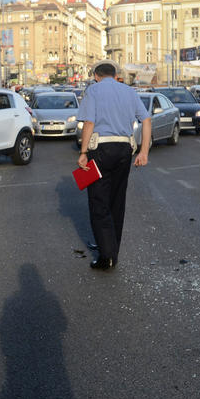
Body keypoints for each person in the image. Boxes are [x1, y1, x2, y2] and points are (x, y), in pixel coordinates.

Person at [76, 59, 150, 270]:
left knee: (98, 201)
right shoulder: (129, 91)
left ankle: (105, 255)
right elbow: (146, 120)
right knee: (117, 200)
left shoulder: (94, 90)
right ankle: (112, 249)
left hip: (99, 150)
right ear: (115, 75)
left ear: (97, 76)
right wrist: (144, 152)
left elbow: (89, 122)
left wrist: (83, 152)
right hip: (124, 150)